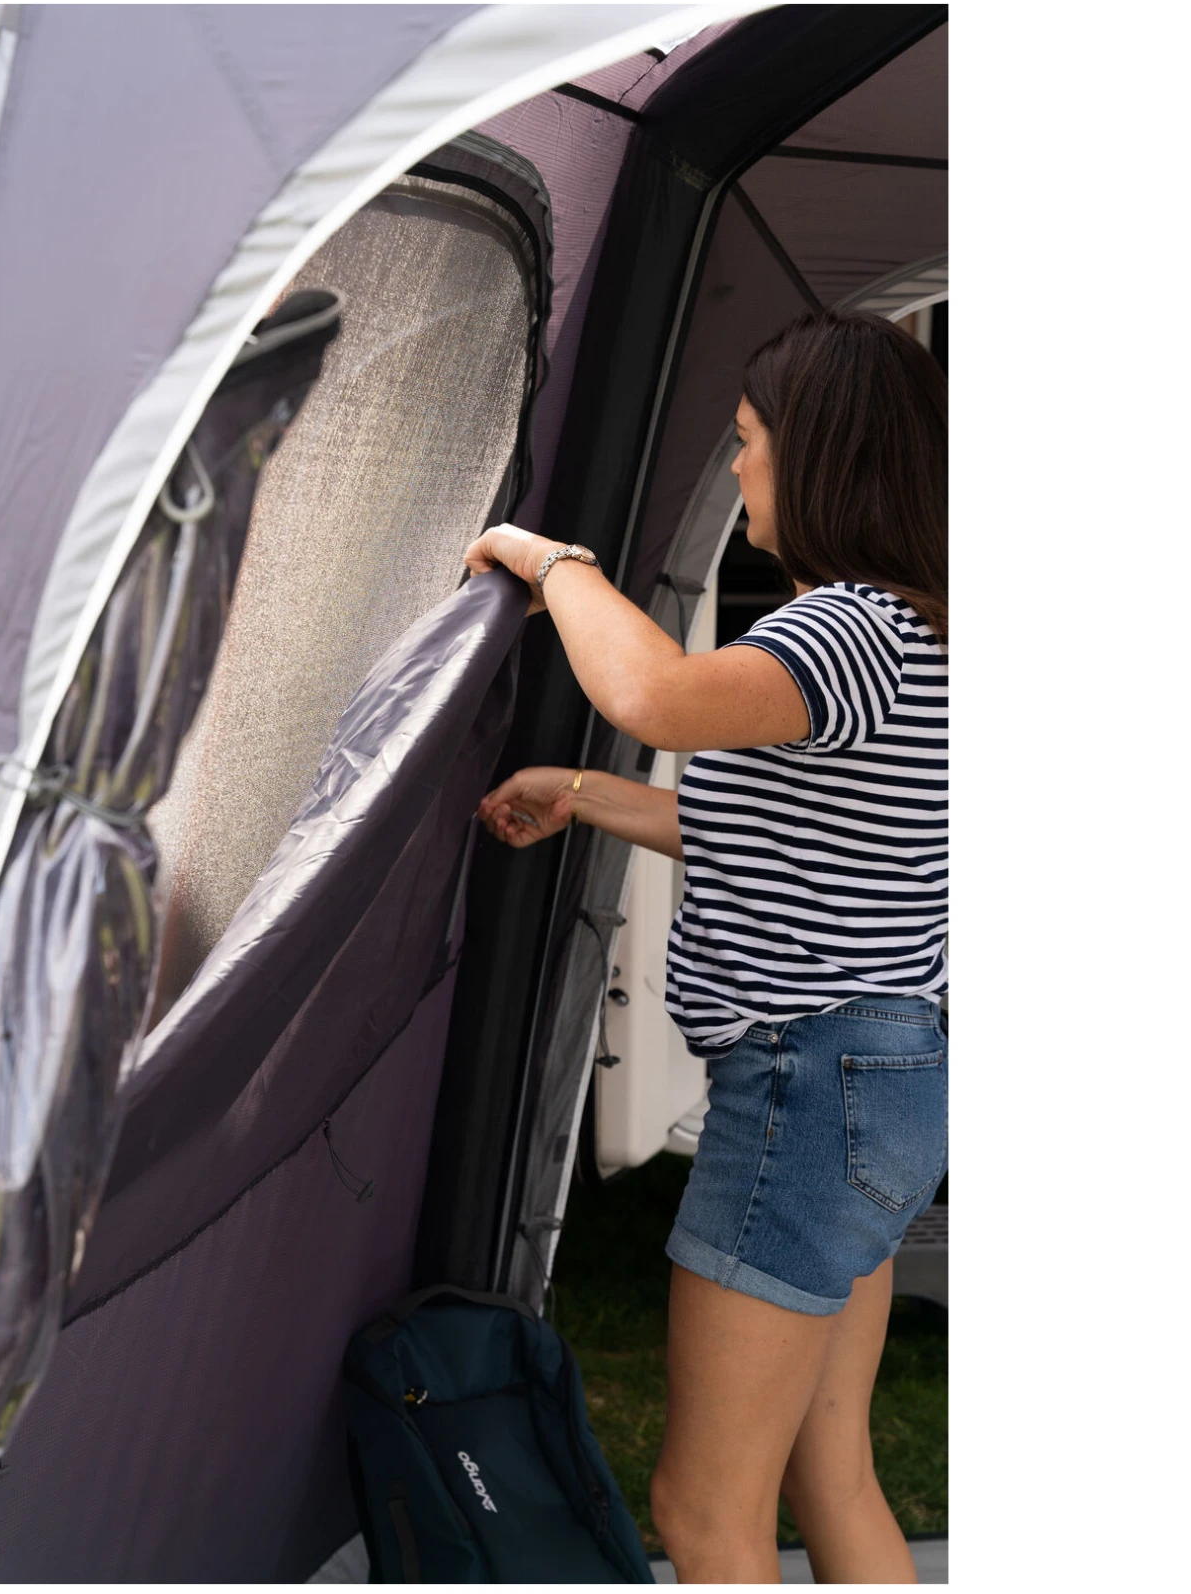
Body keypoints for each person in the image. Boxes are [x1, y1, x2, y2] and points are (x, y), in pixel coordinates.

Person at [462, 309, 947, 1584]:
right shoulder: (926, 629)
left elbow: (655, 695)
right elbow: (785, 836)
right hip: (884, 1082)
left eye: (747, 440)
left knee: (702, 1512)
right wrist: (583, 793)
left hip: (806, 1088)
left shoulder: (845, 630)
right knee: (831, 1476)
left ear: (820, 453)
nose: (736, 469)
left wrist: (546, 558)